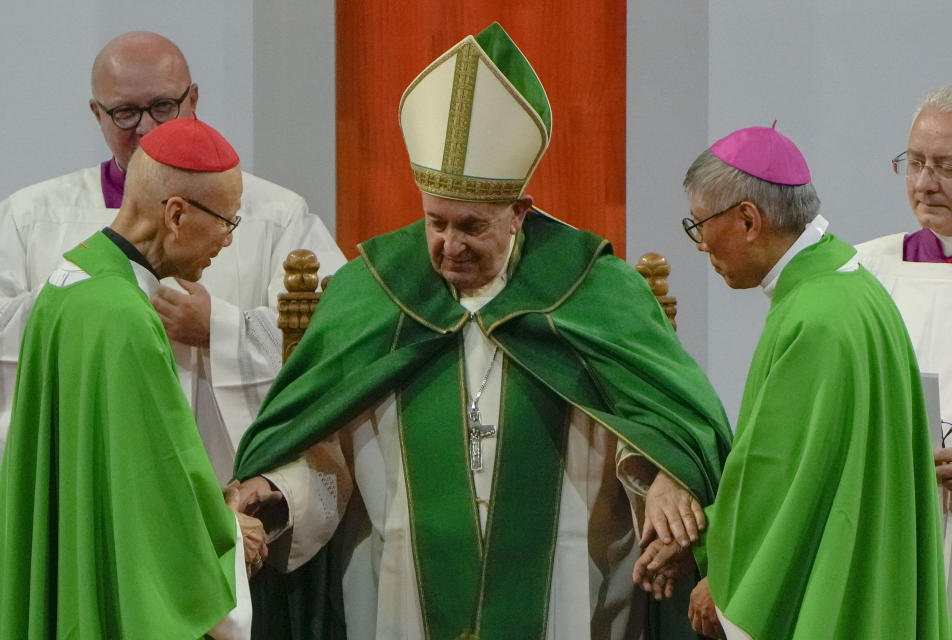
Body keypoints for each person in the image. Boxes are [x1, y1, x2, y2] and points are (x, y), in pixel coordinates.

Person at [229, 22, 732, 640]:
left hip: (568, 593)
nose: (448, 245)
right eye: (435, 222)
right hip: (398, 592)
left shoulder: (596, 291)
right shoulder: (371, 292)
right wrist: (277, 492)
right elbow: (320, 443)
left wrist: (659, 477)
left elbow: (656, 418)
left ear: (520, 212)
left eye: (472, 226)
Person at [639, 124, 952, 639]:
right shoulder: (847, 284)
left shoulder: (815, 317)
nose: (699, 245)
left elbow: (782, 477)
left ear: (747, 220)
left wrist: (724, 575)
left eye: (699, 226)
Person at [0, 31, 345, 479]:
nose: (146, 127)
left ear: (193, 98)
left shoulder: (275, 215)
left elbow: (334, 334)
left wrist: (217, 330)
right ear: (96, 114)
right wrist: (89, 312)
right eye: (124, 112)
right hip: (85, 477)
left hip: (226, 485)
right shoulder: (30, 217)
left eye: (163, 106)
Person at [0, 118, 267, 638]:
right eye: (227, 223)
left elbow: (117, 470)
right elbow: (156, 488)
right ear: (176, 214)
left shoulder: (71, 281)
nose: (228, 243)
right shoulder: (125, 318)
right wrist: (230, 530)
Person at [856, 84, 952, 632]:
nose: (924, 184)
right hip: (892, 528)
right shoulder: (865, 271)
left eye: (948, 168)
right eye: (915, 163)